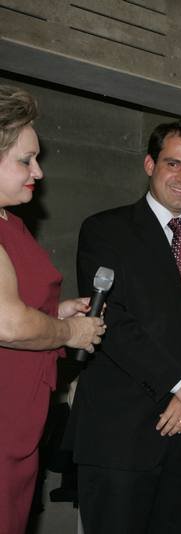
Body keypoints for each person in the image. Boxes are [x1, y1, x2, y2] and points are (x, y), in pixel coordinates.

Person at [70, 120, 181, 533]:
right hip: (120, 440)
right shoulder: (105, 230)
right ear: (149, 164)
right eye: (174, 164)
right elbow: (110, 318)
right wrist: (180, 382)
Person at [0, 86, 105, 534]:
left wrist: (55, 311)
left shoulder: (12, 223)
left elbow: (18, 304)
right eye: (26, 160)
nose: (38, 171)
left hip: (19, 423)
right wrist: (70, 334)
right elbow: (8, 323)